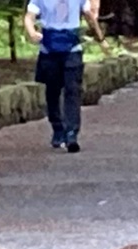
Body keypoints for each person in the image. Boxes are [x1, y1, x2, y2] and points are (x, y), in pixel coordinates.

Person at [23, 0, 109, 153]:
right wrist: (31, 32)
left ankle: (71, 134)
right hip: (48, 49)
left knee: (73, 90)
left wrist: (101, 39)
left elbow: (89, 16)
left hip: (72, 48)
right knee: (52, 90)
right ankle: (57, 128)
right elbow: (29, 16)